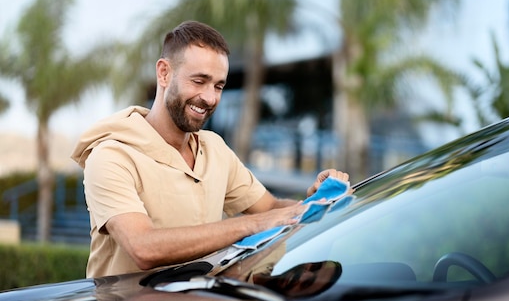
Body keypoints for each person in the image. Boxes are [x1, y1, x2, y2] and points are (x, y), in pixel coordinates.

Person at [71, 20, 349, 278]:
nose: (209, 97)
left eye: (219, 85)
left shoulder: (214, 149)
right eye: (199, 81)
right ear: (164, 73)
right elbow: (143, 248)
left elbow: (273, 208)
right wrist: (250, 225)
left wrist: (314, 200)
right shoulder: (111, 156)